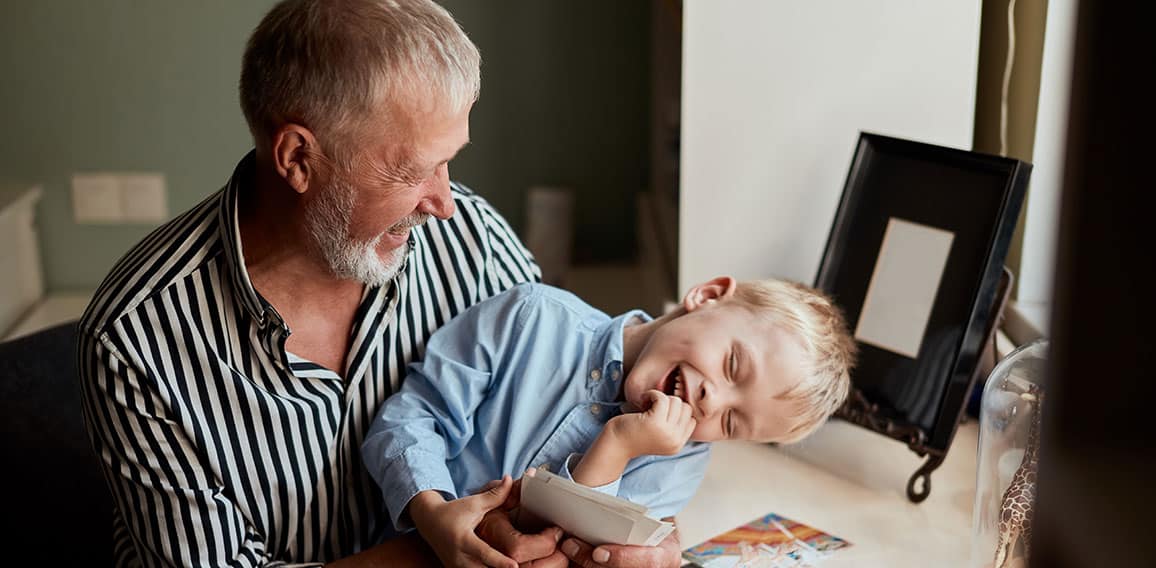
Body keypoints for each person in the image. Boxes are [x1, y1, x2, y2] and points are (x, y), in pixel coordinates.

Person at [75, 0, 573, 565]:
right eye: (413, 171)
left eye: (449, 161)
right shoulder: (136, 336)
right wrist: (438, 553)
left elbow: (572, 403)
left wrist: (632, 538)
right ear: (297, 158)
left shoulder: (474, 244)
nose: (444, 204)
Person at [362, 275, 857, 568]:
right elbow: (411, 418)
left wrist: (617, 445)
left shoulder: (677, 465)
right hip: (398, 549)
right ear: (707, 295)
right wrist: (431, 511)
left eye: (731, 422)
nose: (711, 401)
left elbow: (553, 544)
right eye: (732, 366)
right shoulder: (530, 317)